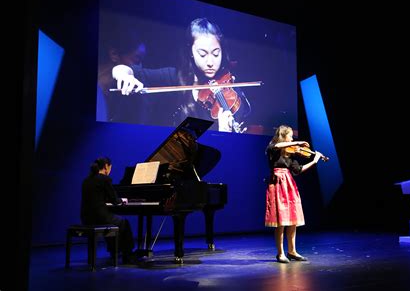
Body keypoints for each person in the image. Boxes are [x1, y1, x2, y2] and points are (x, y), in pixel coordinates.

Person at [111, 17, 251, 132]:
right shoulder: (174, 76)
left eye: (216, 54)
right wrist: (124, 75)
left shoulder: (230, 88)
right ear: (190, 52)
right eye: (202, 54)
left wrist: (224, 133)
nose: (210, 62)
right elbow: (127, 70)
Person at [265, 125, 324, 263]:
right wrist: (297, 142)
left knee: (292, 219)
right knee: (281, 222)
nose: (292, 138)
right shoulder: (273, 148)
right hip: (278, 184)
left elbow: (298, 170)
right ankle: (280, 253)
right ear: (284, 136)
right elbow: (278, 145)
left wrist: (314, 161)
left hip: (289, 185)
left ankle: (292, 251)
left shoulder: (290, 155)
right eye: (290, 136)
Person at [80, 156, 137, 264]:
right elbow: (114, 200)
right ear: (106, 166)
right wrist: (122, 200)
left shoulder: (86, 180)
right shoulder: (105, 179)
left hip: (86, 218)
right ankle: (128, 255)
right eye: (110, 168)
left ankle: (114, 252)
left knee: (114, 222)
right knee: (124, 223)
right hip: (99, 217)